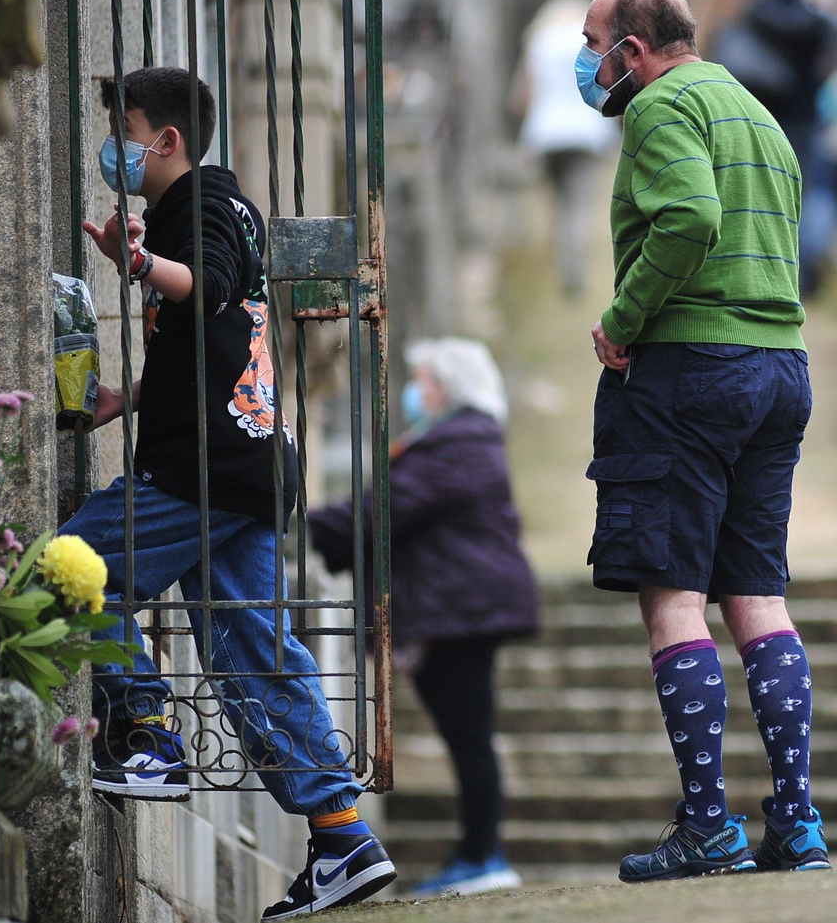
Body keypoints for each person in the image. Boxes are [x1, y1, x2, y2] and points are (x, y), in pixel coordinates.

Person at [67, 66, 394, 919]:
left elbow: (207, 285)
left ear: (165, 139)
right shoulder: (224, 207)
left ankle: (143, 734)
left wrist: (145, 262)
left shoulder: (203, 207)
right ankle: (341, 833)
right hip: (247, 466)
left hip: (201, 469)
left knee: (61, 575)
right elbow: (216, 344)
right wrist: (122, 399)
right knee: (252, 644)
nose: (119, 146)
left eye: (126, 129)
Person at [580, 0, 830, 882]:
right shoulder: (755, 112)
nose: (588, 60)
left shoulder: (657, 107)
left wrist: (626, 317)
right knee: (757, 592)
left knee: (673, 592)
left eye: (592, 41)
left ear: (633, 52)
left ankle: (707, 823)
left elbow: (689, 217)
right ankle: (796, 822)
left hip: (690, 370)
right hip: (780, 370)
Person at [307, 338, 539, 898]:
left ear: (449, 387)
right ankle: (477, 853)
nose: (416, 392)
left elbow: (382, 509)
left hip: (462, 610)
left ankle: (483, 856)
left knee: (469, 736)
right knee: (469, 735)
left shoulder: (458, 442)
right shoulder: (461, 439)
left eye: (426, 380)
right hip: (462, 606)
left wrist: (299, 524)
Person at [713, 0, 837, 296]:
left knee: (767, 197)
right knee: (812, 194)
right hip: (808, 117)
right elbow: (833, 49)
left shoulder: (755, 14)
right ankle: (808, 272)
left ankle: (771, 273)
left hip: (765, 119)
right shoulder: (813, 17)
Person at [516, 0, 619, 298]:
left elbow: (526, 93)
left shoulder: (539, 42)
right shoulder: (590, 45)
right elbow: (606, 86)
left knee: (558, 202)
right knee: (577, 204)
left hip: (547, 133)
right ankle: (573, 267)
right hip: (585, 132)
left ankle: (564, 260)